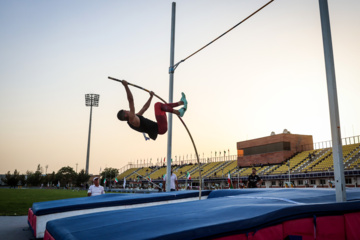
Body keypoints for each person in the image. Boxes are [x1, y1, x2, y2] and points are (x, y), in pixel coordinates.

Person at [117, 80, 187, 140]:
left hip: (160, 127)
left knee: (161, 106)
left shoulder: (135, 117)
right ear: (125, 114)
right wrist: (126, 86)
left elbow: (144, 108)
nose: (128, 110)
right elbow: (131, 100)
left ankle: (182, 102)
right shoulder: (132, 119)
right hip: (160, 128)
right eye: (126, 110)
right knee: (157, 105)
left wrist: (151, 97)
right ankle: (178, 112)